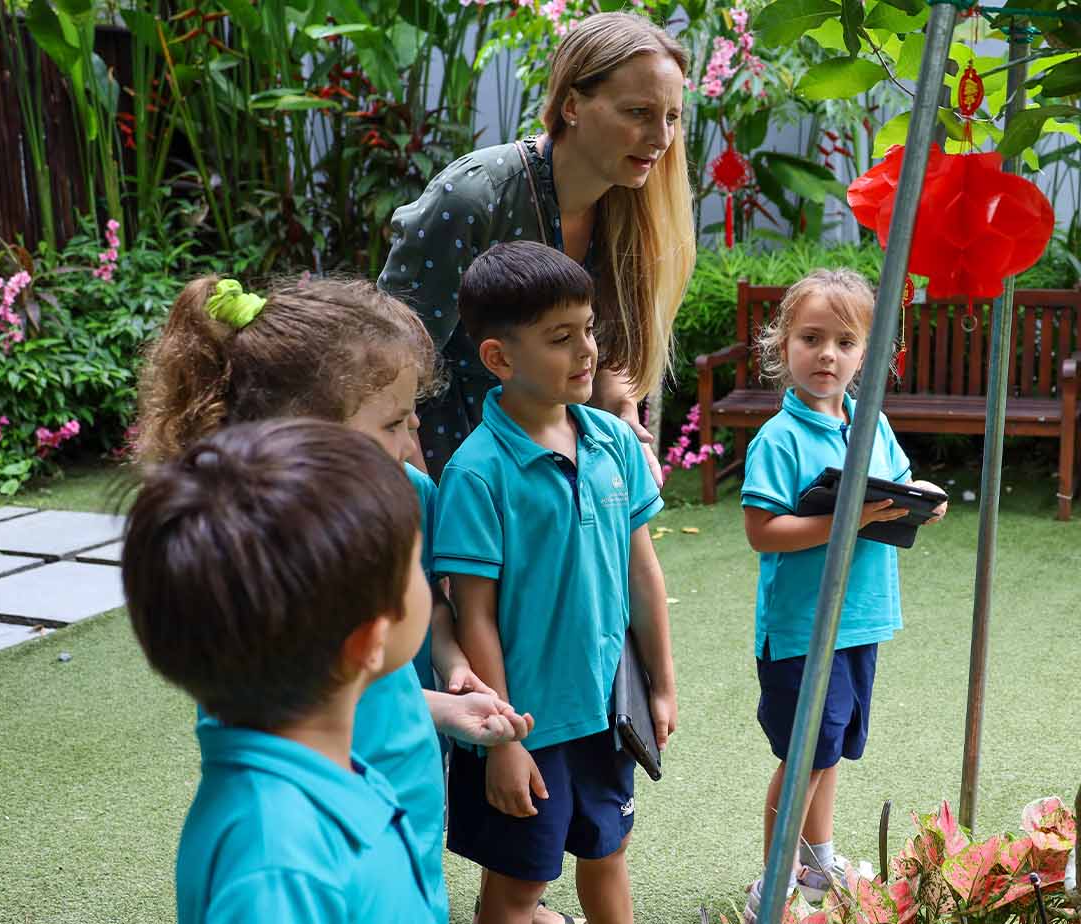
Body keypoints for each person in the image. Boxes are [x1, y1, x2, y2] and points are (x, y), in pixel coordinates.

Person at [134, 276, 530, 924]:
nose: (412, 445)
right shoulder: (276, 865)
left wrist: (442, 711)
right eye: (395, 422)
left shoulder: (330, 758)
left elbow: (332, 684)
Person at [434, 242, 676, 924]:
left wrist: (660, 682)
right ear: (499, 359)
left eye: (589, 329)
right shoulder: (477, 473)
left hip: (608, 712)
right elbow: (472, 617)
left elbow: (642, 569)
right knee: (514, 892)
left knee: (609, 854)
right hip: (526, 723)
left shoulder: (614, 441)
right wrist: (503, 741)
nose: (587, 351)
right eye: (560, 338)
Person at [379, 11, 695, 482]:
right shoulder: (473, 197)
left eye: (671, 117)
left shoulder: (629, 207)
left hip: (550, 458)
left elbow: (608, 352)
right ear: (571, 105)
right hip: (450, 456)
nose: (662, 138)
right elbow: (393, 362)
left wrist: (625, 417)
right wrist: (424, 505)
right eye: (638, 113)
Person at [737, 270, 949, 918]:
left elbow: (901, 483)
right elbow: (762, 531)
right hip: (802, 631)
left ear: (867, 353)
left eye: (844, 341)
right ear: (782, 346)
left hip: (860, 621)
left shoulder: (869, 421)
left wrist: (926, 502)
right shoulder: (778, 439)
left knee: (829, 755)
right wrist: (848, 519)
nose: (827, 354)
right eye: (810, 338)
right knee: (803, 757)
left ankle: (817, 865)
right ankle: (772, 886)